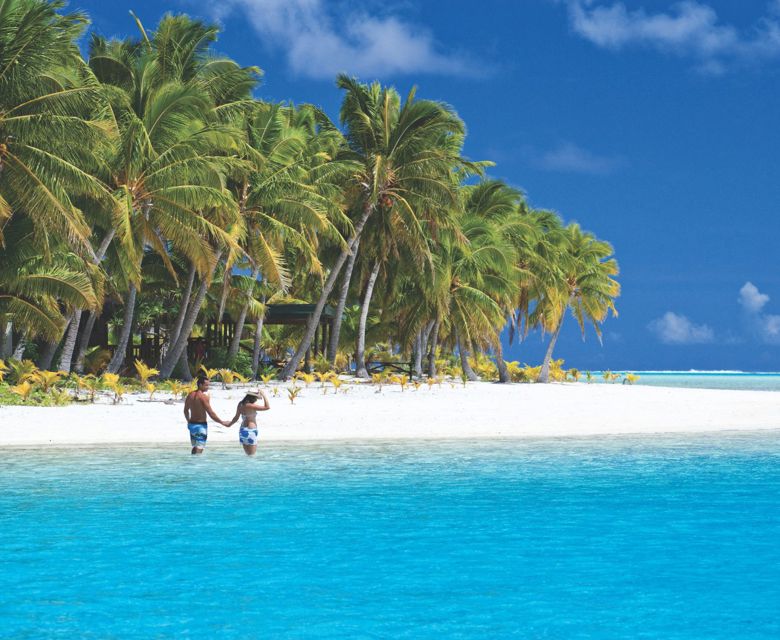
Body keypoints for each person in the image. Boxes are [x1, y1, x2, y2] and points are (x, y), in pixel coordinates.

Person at [183, 376, 230, 454]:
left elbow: (185, 411)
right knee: (199, 448)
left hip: (192, 425)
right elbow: (211, 413)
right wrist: (222, 422)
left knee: (194, 447)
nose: (208, 387)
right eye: (206, 385)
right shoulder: (203, 397)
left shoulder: (190, 395)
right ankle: (197, 465)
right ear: (200, 385)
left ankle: (191, 464)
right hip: (201, 426)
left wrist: (188, 421)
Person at [226, 389, 270, 456]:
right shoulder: (250, 405)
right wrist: (264, 395)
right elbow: (267, 407)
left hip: (242, 430)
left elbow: (236, 417)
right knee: (252, 455)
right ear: (253, 397)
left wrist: (230, 424)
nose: (256, 399)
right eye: (256, 398)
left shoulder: (240, 404)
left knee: (248, 455)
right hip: (251, 431)